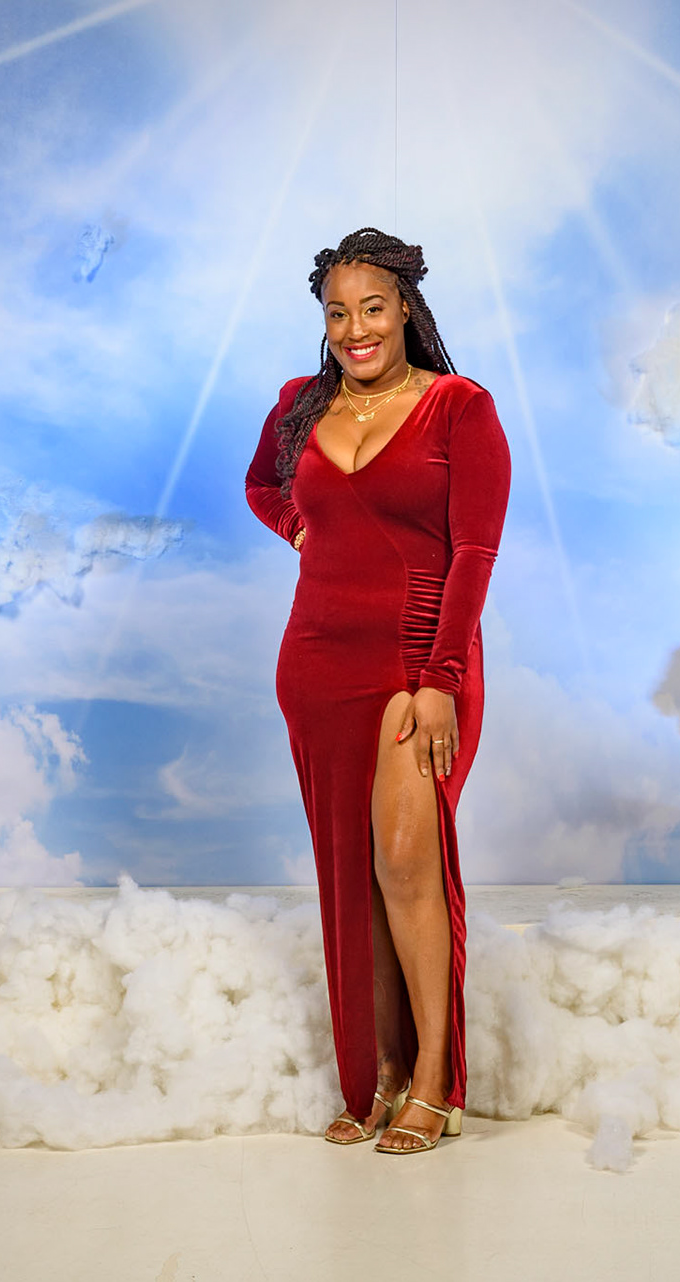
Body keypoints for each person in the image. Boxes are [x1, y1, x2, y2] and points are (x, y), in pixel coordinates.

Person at [244, 228, 510, 1154]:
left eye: (372, 308)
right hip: (316, 662)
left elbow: (475, 552)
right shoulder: (300, 405)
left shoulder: (458, 407)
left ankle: (436, 1079)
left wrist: (441, 681)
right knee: (348, 875)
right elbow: (261, 485)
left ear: (405, 310)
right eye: (338, 313)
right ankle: (381, 1075)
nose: (356, 329)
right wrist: (299, 528)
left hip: (417, 664)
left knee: (404, 862)